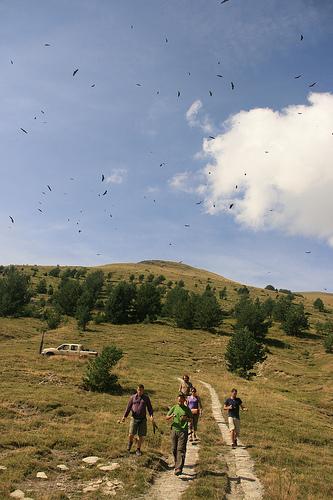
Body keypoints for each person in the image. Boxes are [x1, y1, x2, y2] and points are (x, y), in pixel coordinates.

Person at [122, 384, 154, 456]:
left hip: (142, 419)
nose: (140, 391)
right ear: (137, 390)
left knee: (141, 435)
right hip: (134, 418)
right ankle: (129, 445)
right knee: (131, 434)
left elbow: (150, 408)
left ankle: (138, 449)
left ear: (143, 390)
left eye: (141, 390)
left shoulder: (146, 398)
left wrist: (151, 416)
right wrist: (124, 416)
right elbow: (128, 407)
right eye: (139, 390)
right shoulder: (132, 397)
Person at [166, 393, 193, 476]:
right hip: (174, 430)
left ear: (184, 400)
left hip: (183, 431)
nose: (179, 401)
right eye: (178, 400)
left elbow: (191, 420)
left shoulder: (187, 409)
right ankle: (177, 463)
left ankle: (178, 468)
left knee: (180, 449)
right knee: (174, 449)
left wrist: (186, 419)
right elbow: (166, 417)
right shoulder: (174, 407)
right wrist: (171, 416)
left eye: (181, 400)